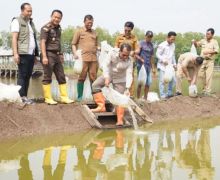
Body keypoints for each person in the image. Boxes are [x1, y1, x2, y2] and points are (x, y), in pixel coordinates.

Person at [91, 43, 133, 126]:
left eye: (127, 55)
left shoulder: (130, 60)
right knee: (95, 86)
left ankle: (120, 120)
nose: (125, 57)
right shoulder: (112, 53)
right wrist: (106, 77)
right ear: (119, 51)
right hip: (109, 74)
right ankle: (101, 107)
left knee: (120, 98)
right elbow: (105, 65)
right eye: (124, 55)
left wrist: (127, 88)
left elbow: (129, 74)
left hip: (120, 79)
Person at [40, 10, 73, 105]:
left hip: (57, 54)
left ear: (61, 19)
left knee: (61, 76)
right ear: (51, 16)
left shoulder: (59, 28)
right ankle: (48, 98)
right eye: (55, 17)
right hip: (48, 54)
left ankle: (64, 97)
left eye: (59, 18)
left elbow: (58, 42)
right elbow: (42, 42)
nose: (56, 19)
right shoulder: (45, 28)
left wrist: (61, 54)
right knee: (47, 76)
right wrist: (44, 57)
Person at [11, 2, 39, 104]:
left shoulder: (31, 23)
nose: (30, 13)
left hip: (31, 53)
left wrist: (35, 55)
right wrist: (15, 54)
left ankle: (25, 96)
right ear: (22, 11)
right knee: (22, 75)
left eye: (31, 11)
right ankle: (21, 97)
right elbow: (14, 38)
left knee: (27, 75)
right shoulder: (16, 21)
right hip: (22, 53)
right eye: (28, 11)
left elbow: (34, 39)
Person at [72, 14, 98, 101]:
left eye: (91, 23)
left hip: (93, 59)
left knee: (94, 78)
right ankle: (79, 97)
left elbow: (96, 45)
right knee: (81, 78)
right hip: (82, 59)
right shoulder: (79, 31)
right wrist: (75, 53)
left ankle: (95, 97)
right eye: (88, 23)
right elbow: (73, 44)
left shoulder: (95, 32)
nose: (90, 24)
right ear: (84, 22)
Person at [115, 21, 139, 98]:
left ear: (131, 30)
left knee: (130, 77)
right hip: (120, 60)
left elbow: (138, 50)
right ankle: (119, 94)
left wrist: (133, 52)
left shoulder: (134, 38)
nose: (127, 32)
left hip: (130, 61)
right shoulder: (119, 37)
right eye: (125, 30)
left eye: (129, 30)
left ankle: (130, 95)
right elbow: (115, 48)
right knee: (118, 77)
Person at [193, 28, 219, 96]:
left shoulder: (214, 41)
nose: (206, 35)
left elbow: (216, 51)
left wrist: (209, 51)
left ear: (212, 35)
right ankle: (204, 89)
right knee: (201, 75)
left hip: (210, 61)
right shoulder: (203, 40)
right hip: (202, 61)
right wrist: (194, 42)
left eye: (208, 34)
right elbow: (196, 45)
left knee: (208, 77)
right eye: (206, 33)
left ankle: (207, 91)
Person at [156, 31, 177, 99]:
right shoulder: (162, 45)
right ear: (167, 38)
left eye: (174, 39)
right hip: (162, 66)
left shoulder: (173, 45)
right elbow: (157, 54)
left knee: (173, 80)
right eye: (172, 39)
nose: (173, 41)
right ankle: (162, 96)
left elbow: (173, 55)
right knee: (162, 81)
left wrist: (174, 64)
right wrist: (163, 60)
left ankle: (169, 93)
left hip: (170, 66)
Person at [136, 31, 156, 100]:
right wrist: (140, 59)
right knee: (140, 82)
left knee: (148, 82)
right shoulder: (141, 43)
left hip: (148, 66)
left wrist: (153, 68)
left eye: (150, 37)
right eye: (148, 37)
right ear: (145, 36)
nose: (149, 38)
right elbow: (136, 54)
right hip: (141, 66)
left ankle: (145, 98)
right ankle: (138, 98)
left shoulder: (151, 45)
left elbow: (152, 57)